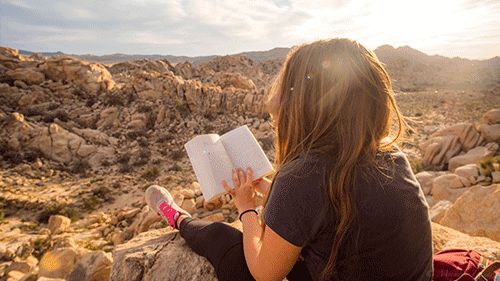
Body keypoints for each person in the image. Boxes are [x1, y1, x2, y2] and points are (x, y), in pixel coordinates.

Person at [145, 38, 433, 281]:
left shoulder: (304, 175)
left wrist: (246, 209)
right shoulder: (392, 158)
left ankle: (176, 217)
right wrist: (270, 189)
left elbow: (264, 273)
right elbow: (330, 207)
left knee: (225, 242)